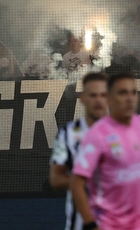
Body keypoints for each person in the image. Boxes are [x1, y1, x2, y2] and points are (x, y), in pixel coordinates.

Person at [71, 72, 140, 230]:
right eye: (123, 93)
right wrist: (91, 225)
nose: (130, 98)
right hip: (110, 224)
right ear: (109, 99)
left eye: (133, 92)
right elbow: (77, 183)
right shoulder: (97, 134)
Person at [50, 73, 108, 230]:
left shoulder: (123, 133)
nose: (98, 100)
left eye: (103, 95)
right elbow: (55, 178)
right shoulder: (66, 133)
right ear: (82, 98)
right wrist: (82, 182)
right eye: (93, 95)